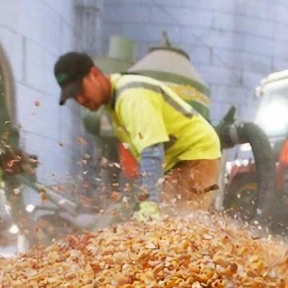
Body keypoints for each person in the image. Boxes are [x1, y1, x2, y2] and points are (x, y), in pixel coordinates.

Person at [53, 51, 222, 221]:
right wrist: (144, 197)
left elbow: (152, 151)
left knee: (182, 221)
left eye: (80, 90)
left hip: (196, 154)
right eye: (74, 97)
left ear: (95, 74)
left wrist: (149, 203)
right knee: (165, 221)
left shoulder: (130, 96)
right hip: (176, 161)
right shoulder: (113, 104)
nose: (80, 99)